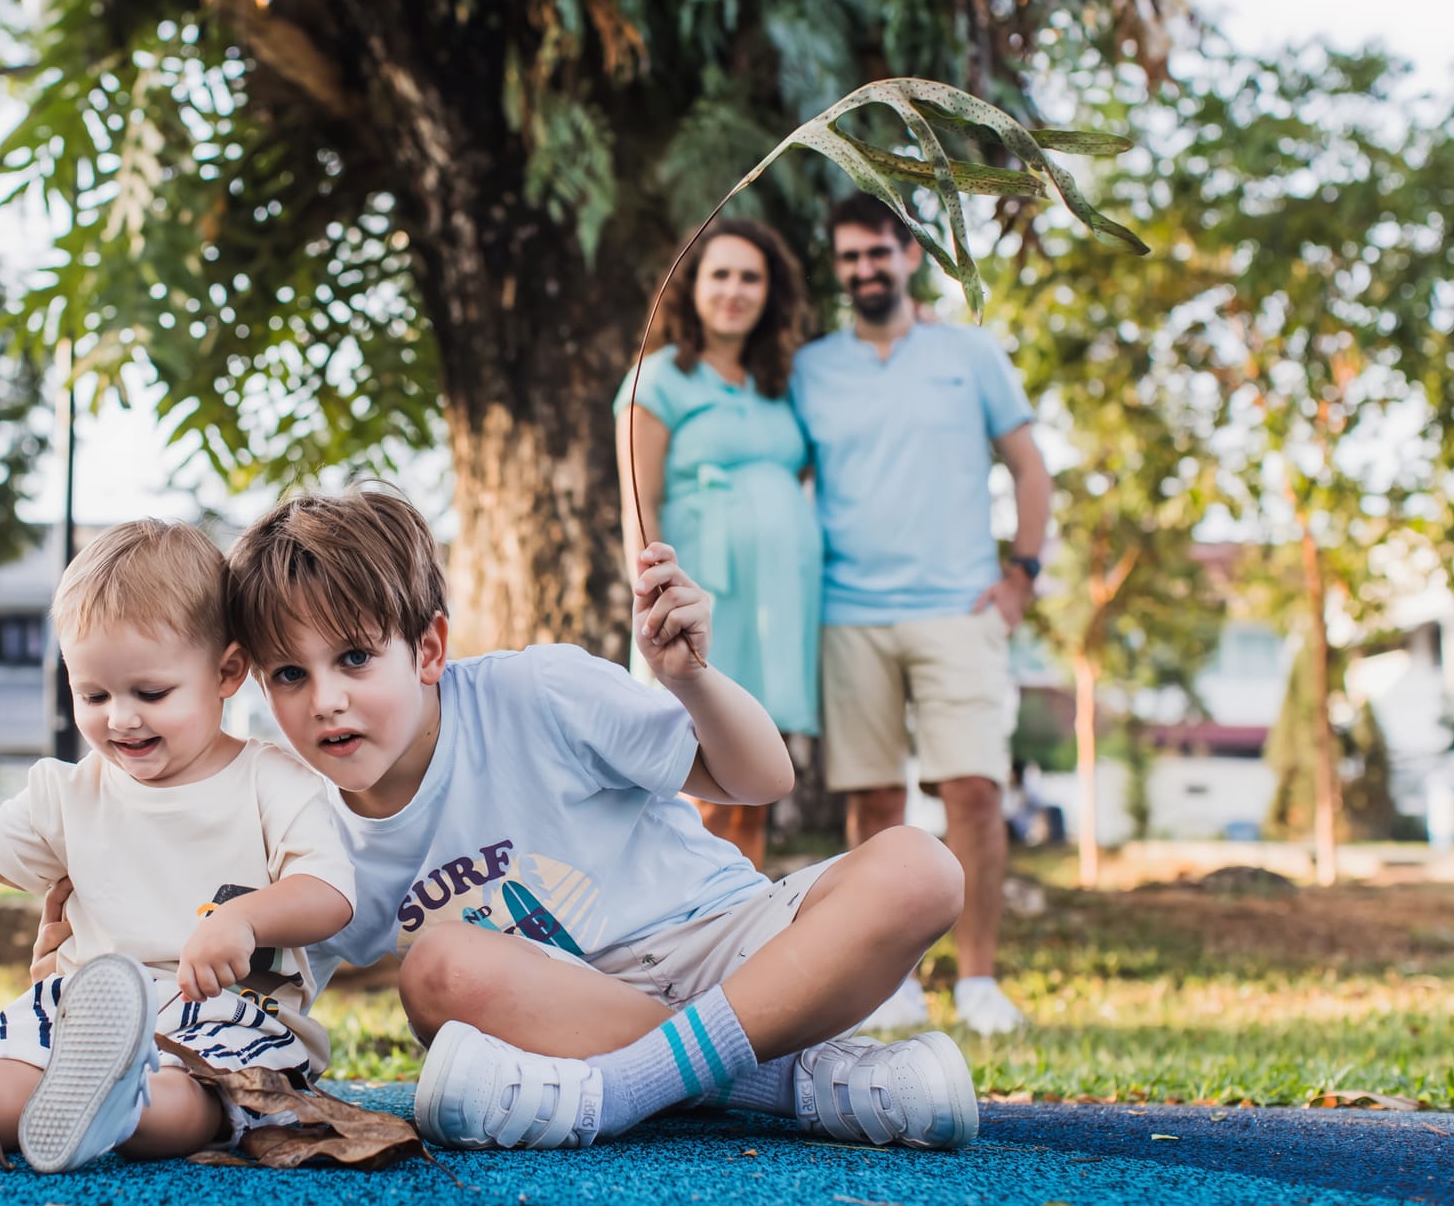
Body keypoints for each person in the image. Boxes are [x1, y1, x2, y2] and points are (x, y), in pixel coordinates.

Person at [212, 485, 974, 1151]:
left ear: (429, 648)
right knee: (438, 970)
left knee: (922, 869)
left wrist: (690, 678)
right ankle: (787, 1083)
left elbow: (762, 778)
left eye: (354, 657)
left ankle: (620, 1091)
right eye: (290, 673)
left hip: (737, 953)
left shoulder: (540, 691)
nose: (326, 699)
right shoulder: (309, 835)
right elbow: (250, 1004)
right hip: (573, 1013)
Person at [0, 519, 355, 1173]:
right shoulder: (68, 793)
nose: (120, 717)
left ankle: (119, 1105)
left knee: (196, 1099)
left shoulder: (273, 780)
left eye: (151, 692)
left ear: (227, 671)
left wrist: (246, 919)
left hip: (228, 1015)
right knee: (8, 1074)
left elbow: (329, 893)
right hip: (82, 1012)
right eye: (93, 694)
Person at [790, 192, 1052, 1038]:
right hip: (849, 614)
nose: (865, 269)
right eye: (850, 257)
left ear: (909, 255)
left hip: (958, 608)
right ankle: (889, 985)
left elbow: (1030, 465)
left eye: (878, 252)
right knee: (873, 804)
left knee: (974, 790)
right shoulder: (811, 369)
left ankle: (978, 980)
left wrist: (1022, 576)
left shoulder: (969, 352)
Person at [614, 218, 822, 868]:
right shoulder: (658, 379)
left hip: (776, 609)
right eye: (721, 274)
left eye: (750, 277)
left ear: (770, 292)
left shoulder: (780, 385)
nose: (735, 290)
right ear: (692, 286)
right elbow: (639, 503)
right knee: (700, 774)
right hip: (704, 599)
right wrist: (655, 600)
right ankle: (694, 911)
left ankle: (745, 912)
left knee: (754, 776)